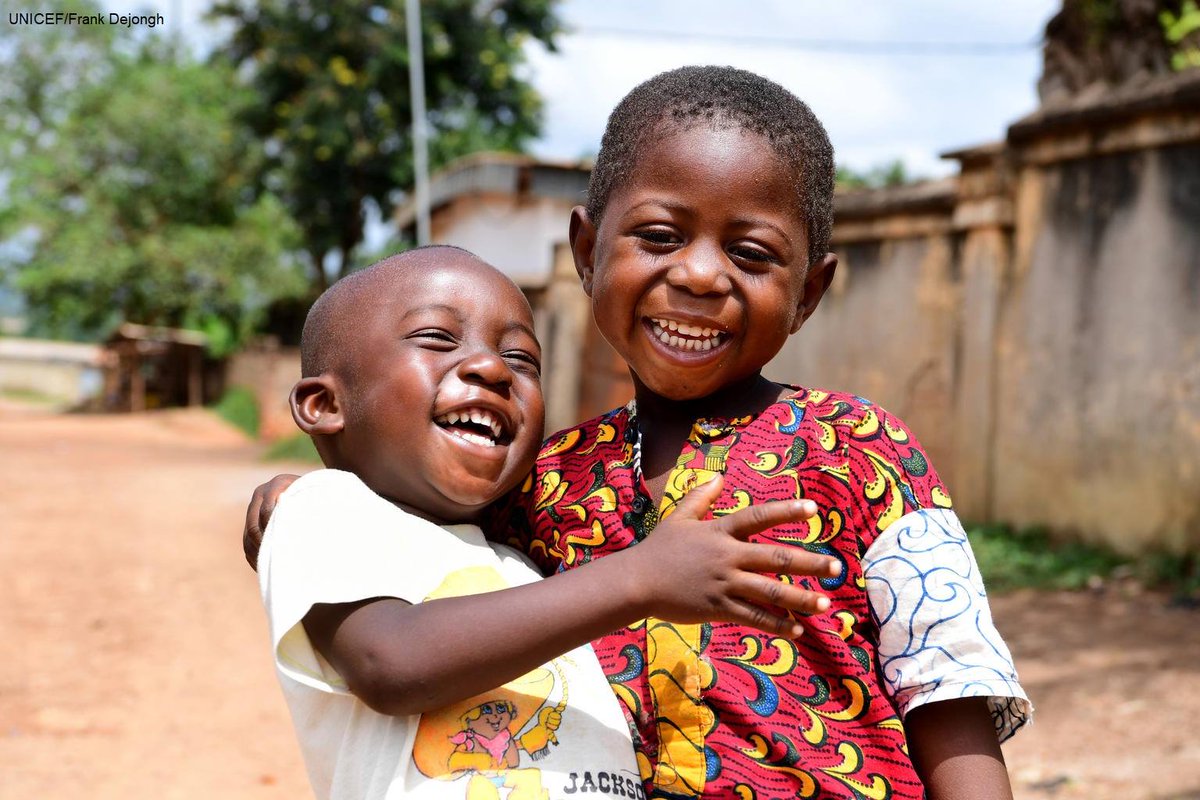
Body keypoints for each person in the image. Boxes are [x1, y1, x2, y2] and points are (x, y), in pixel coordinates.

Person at [247, 68, 1032, 799]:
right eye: (659, 236)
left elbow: (946, 686)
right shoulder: (542, 480)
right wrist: (316, 494)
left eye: (751, 254)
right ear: (589, 252)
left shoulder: (863, 449)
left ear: (809, 292)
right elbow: (418, 550)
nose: (698, 275)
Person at [256, 245, 842, 800]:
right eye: (437, 339)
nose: (491, 367)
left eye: (521, 359)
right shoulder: (328, 509)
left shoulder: (523, 554)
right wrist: (640, 578)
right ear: (325, 406)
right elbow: (390, 663)